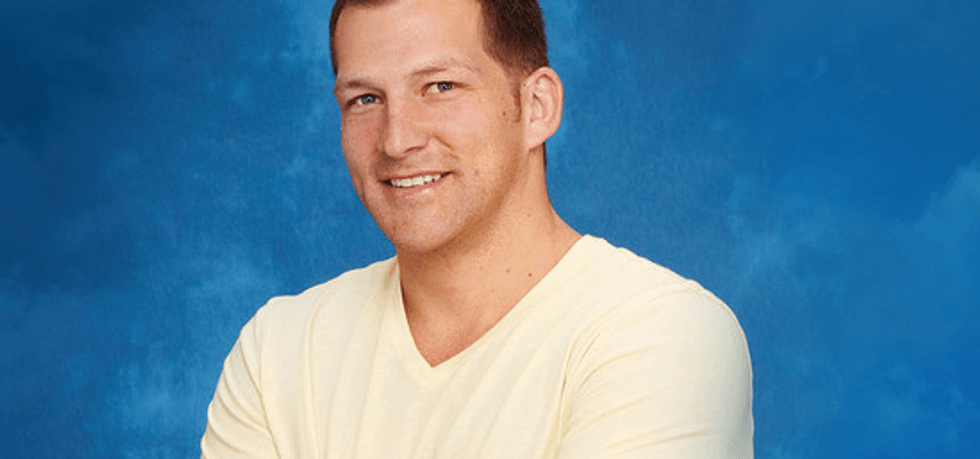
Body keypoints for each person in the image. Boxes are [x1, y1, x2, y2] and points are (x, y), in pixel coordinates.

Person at [201, 0, 753, 457]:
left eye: (440, 86)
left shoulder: (662, 333)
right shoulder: (278, 351)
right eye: (365, 99)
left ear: (537, 107)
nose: (397, 139)